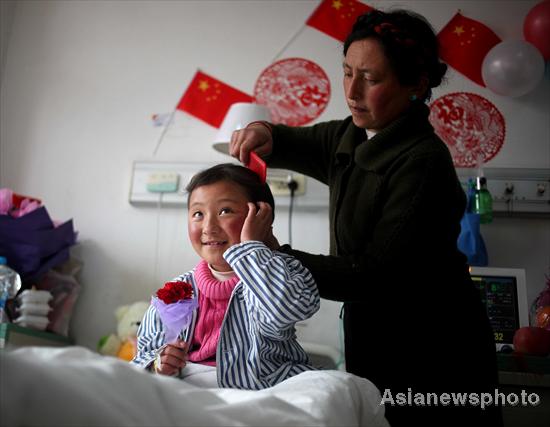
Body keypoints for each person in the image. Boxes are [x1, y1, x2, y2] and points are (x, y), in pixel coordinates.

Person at [230, 8, 502, 427]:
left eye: (371, 79)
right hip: (372, 337)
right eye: (346, 72)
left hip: (434, 350)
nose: (352, 91)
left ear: (416, 85)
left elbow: (374, 275)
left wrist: (272, 256)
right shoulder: (350, 133)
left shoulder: (422, 162)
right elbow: (293, 141)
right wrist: (266, 132)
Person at [132, 163, 320, 390]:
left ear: (260, 216)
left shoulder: (285, 270)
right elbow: (145, 351)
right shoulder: (176, 290)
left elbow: (285, 310)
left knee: (343, 387)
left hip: (268, 387)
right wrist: (160, 364)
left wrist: (252, 246)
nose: (208, 227)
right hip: (196, 387)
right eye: (198, 214)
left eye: (225, 211)